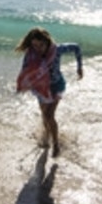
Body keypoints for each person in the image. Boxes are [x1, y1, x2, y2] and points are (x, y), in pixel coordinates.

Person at [15, 28, 83, 157]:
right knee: (44, 115)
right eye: (35, 45)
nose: (38, 48)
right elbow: (24, 70)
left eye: (41, 45)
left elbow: (77, 48)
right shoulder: (30, 54)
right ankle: (46, 135)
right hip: (41, 88)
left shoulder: (57, 50)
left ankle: (56, 144)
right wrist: (24, 83)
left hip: (56, 86)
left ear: (47, 41)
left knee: (49, 115)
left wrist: (79, 67)